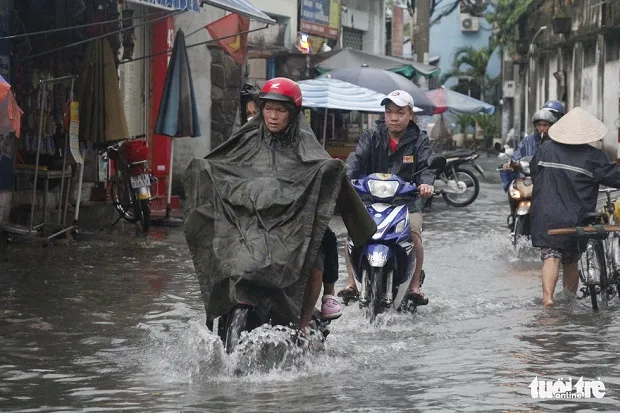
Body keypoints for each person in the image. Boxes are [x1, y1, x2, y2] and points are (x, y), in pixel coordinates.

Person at [256, 78, 342, 329]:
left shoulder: (306, 142)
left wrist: (331, 170)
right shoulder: (248, 138)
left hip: (296, 221)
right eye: (268, 109)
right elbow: (228, 166)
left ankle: (304, 322)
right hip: (255, 218)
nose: (273, 116)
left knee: (319, 253)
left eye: (280, 110)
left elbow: (321, 167)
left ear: (292, 113)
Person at [338, 90, 435, 305]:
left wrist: (426, 184)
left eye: (399, 113)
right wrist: (345, 178)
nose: (393, 117)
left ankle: (414, 285)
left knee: (415, 233)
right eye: (388, 112)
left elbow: (427, 166)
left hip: (406, 201)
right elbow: (357, 158)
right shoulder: (372, 136)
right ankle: (351, 282)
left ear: (410, 114)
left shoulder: (419, 140)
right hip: (371, 199)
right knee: (352, 234)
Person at [529, 106, 620, 307]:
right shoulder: (594, 156)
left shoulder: (546, 149)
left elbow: (534, 172)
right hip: (576, 216)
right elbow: (615, 176)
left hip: (546, 214)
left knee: (551, 256)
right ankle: (569, 300)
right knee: (571, 259)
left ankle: (548, 299)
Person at [500, 109, 557, 227]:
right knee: (514, 188)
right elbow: (516, 155)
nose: (542, 128)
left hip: (548, 178)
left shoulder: (556, 142)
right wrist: (511, 163)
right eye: (539, 125)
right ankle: (513, 214)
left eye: (545, 125)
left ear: (551, 126)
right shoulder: (527, 141)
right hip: (527, 178)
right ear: (535, 126)